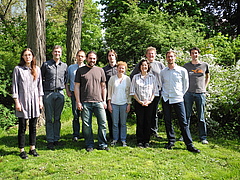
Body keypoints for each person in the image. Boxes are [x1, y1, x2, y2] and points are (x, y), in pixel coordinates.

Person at [160, 50, 200, 153]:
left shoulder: (182, 70)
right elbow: (161, 84)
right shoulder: (163, 72)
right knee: (168, 121)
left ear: (175, 58)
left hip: (177, 99)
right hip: (166, 98)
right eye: (168, 57)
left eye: (172, 56)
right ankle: (171, 141)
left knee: (183, 122)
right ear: (166, 58)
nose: (170, 58)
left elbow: (185, 85)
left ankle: (189, 144)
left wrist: (180, 94)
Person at [12, 48, 44, 159]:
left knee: (33, 126)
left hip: (34, 101)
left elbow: (40, 87)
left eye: (29, 55)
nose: (28, 57)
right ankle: (22, 150)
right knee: (22, 127)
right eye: (25, 55)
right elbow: (15, 87)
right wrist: (17, 102)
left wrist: (40, 101)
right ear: (22, 57)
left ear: (32, 56)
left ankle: (32, 148)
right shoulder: (18, 69)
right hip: (22, 102)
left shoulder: (37, 69)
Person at [74, 51, 109, 152]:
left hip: (99, 101)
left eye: (94, 58)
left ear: (96, 59)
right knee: (86, 125)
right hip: (85, 102)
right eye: (90, 58)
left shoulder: (100, 70)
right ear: (86, 59)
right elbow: (77, 87)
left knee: (102, 123)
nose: (92, 60)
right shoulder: (80, 71)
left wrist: (104, 100)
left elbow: (103, 87)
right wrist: (78, 102)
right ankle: (89, 144)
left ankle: (102, 144)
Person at [130, 47, 165, 138]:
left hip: (156, 92)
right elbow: (132, 75)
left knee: (153, 113)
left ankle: (153, 131)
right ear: (146, 55)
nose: (151, 55)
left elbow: (165, 76)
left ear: (155, 54)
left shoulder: (160, 65)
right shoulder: (141, 64)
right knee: (143, 114)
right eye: (149, 54)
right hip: (141, 94)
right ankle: (144, 133)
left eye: (152, 53)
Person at [41, 45, 68, 150]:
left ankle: (56, 139)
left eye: (59, 52)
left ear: (61, 53)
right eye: (55, 52)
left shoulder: (64, 66)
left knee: (57, 118)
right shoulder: (46, 65)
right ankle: (50, 140)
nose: (57, 53)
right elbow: (40, 79)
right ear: (52, 53)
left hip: (60, 93)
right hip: (48, 93)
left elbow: (65, 79)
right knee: (49, 118)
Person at [183, 47, 210, 144]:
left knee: (201, 116)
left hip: (200, 93)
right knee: (186, 116)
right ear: (190, 55)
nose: (194, 55)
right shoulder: (186, 66)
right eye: (192, 53)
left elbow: (208, 76)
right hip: (188, 93)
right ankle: (184, 136)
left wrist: (204, 87)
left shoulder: (204, 65)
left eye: (196, 53)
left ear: (198, 54)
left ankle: (203, 137)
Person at [130, 59, 159, 148]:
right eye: (142, 65)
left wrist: (149, 101)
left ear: (148, 67)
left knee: (148, 121)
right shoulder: (135, 77)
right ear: (140, 67)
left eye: (146, 65)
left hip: (150, 103)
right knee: (140, 121)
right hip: (139, 102)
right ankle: (139, 141)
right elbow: (132, 91)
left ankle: (146, 141)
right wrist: (140, 101)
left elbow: (155, 91)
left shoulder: (152, 77)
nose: (144, 67)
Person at [107, 61, 131, 147]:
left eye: (123, 68)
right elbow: (109, 92)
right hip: (114, 103)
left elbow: (129, 93)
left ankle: (123, 139)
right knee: (115, 123)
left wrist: (129, 104)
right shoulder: (112, 79)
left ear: (125, 69)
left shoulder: (127, 79)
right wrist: (109, 103)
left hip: (124, 103)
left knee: (123, 123)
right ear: (116, 68)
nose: (121, 69)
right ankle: (115, 139)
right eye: (119, 68)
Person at [65, 50, 86, 142]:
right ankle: (76, 134)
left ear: (84, 58)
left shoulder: (87, 67)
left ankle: (86, 133)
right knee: (76, 115)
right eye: (79, 56)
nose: (80, 58)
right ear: (76, 57)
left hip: (85, 94)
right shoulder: (71, 68)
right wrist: (68, 91)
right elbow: (66, 81)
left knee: (85, 115)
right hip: (74, 93)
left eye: (82, 56)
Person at [103, 49, 118, 140]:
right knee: (109, 116)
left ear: (115, 56)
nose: (111, 57)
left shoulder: (119, 67)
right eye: (109, 55)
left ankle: (120, 135)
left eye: (112, 55)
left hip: (119, 95)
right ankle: (112, 135)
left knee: (119, 117)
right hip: (108, 95)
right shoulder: (104, 69)